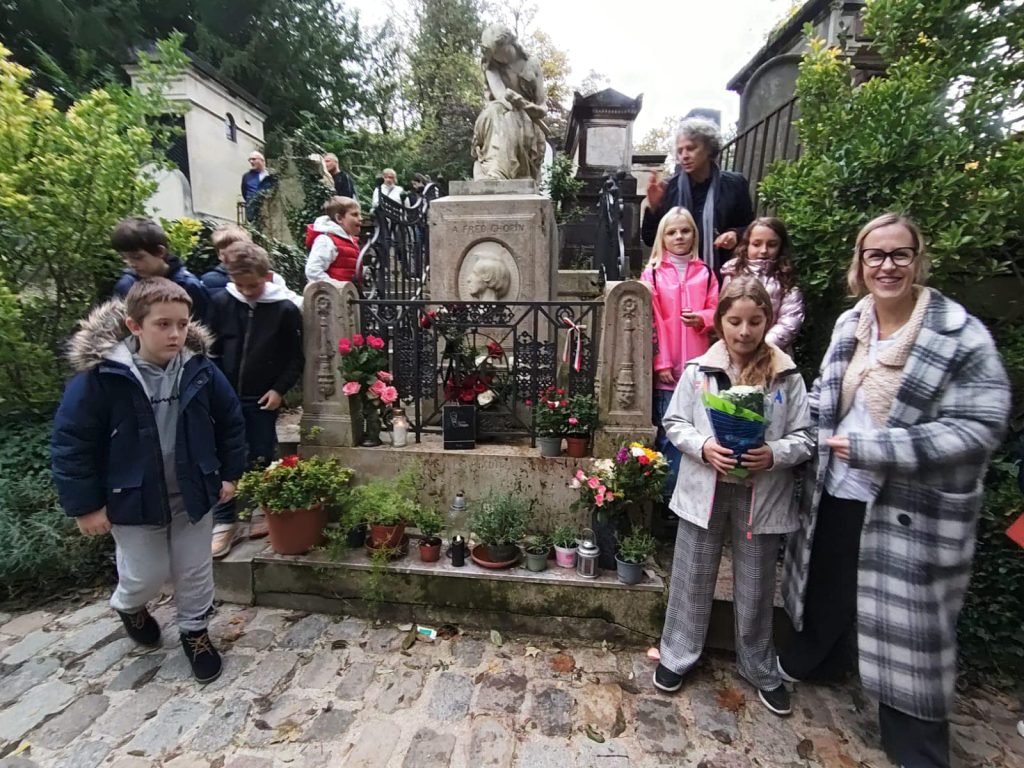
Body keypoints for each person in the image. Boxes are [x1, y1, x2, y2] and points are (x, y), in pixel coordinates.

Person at [779, 213, 1010, 767]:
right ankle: (819, 662)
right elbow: (825, 400)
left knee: (911, 627)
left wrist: (878, 449)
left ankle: (916, 745)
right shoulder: (850, 324)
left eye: (899, 254)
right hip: (838, 484)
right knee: (828, 581)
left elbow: (981, 423)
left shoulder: (957, 333)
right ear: (859, 266)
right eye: (875, 255)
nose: (887, 266)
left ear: (918, 260)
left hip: (911, 504)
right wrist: (789, 430)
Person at [51, 278, 246, 684]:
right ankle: (129, 604)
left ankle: (195, 631)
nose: (175, 334)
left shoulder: (199, 369)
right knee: (145, 574)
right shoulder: (102, 378)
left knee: (194, 570)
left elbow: (229, 423)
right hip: (133, 497)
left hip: (192, 492)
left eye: (181, 323)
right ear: (135, 326)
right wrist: (86, 505)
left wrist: (229, 474)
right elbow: (73, 443)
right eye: (162, 324)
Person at [656, 276, 813, 717]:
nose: (744, 332)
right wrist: (704, 447)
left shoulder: (787, 375)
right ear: (719, 322)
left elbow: (806, 435)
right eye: (735, 321)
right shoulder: (697, 371)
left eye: (755, 321)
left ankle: (759, 665)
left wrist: (775, 454)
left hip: (761, 494)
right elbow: (675, 424)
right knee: (692, 573)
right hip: (705, 488)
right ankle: (677, 653)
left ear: (768, 321)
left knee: (757, 583)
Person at [207, 242, 304, 558]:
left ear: (268, 276)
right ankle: (224, 520)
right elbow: (210, 349)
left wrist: (279, 389)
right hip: (223, 395)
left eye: (254, 284)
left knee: (261, 453)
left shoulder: (284, 309)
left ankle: (262, 510)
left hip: (260, 397)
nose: (247, 291)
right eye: (241, 285)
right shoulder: (221, 303)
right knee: (222, 455)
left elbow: (293, 357)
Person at [640, 207, 719, 507]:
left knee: (699, 432)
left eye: (685, 231)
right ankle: (666, 499)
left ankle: (693, 498)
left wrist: (702, 319)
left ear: (694, 235)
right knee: (669, 436)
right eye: (672, 232)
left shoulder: (706, 273)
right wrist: (660, 363)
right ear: (663, 237)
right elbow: (652, 321)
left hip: (700, 368)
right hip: (668, 371)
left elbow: (718, 311)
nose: (679, 237)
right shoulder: (654, 274)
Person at [641, 118, 754, 278]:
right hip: (678, 280)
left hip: (724, 275)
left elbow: (750, 230)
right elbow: (650, 239)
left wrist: (735, 234)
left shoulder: (734, 185)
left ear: (709, 148)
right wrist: (653, 208)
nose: (684, 156)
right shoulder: (669, 188)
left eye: (691, 148)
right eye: (680, 151)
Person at [472, 24, 548, 182]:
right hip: (496, 116)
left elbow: (542, 108)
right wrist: (510, 101)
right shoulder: (491, 66)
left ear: (511, 42)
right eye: (495, 55)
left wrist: (525, 105)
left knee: (509, 117)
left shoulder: (532, 64)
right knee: (499, 111)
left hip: (527, 119)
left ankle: (498, 172)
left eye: (502, 51)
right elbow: (501, 99)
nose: (500, 58)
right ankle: (495, 169)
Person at [721, 217, 805, 351]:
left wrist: (763, 347)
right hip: (735, 350)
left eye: (771, 244)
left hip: (772, 352)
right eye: (756, 244)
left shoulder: (786, 279)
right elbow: (722, 314)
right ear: (747, 245)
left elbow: (790, 321)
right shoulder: (733, 273)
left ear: (781, 247)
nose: (764, 250)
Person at [111, 217, 209, 322]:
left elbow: (204, 329)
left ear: (160, 252)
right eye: (125, 258)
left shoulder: (189, 286)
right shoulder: (126, 285)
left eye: (137, 257)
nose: (131, 264)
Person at [200, 224, 302, 305]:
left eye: (239, 251)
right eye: (225, 253)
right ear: (219, 254)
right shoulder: (210, 281)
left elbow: (289, 299)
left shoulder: (270, 277)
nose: (232, 257)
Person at [305, 196, 362, 283]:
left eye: (359, 214)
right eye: (355, 214)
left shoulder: (349, 240)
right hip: (333, 295)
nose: (360, 218)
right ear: (339, 218)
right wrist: (336, 287)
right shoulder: (326, 240)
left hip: (348, 295)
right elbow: (313, 271)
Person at [241, 151, 275, 222]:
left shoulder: (271, 175)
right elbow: (244, 193)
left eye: (253, 159)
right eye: (249, 160)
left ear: (262, 160)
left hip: (271, 213)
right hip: (253, 214)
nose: (251, 161)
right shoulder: (247, 177)